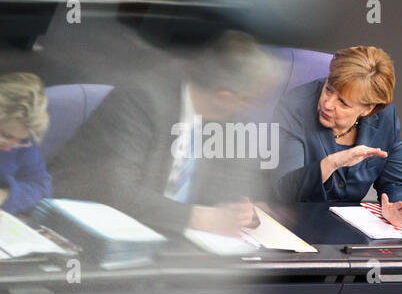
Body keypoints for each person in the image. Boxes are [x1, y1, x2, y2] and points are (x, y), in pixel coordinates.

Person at [49, 31, 278, 235]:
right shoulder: (140, 99)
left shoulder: (227, 121)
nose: (254, 108)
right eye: (250, 100)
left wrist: (243, 210)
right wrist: (197, 217)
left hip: (167, 238)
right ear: (223, 96)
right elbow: (113, 191)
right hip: (85, 230)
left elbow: (237, 182)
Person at [272, 46, 402, 227]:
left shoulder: (384, 117)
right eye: (329, 89)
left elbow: (396, 182)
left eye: (343, 102)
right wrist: (332, 163)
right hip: (290, 221)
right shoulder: (295, 108)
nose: (328, 103)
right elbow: (283, 190)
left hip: (343, 230)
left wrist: (399, 209)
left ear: (368, 109)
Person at [0, 72, 52, 214]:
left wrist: (6, 194)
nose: (11, 147)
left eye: (21, 140)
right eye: (6, 135)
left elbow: (41, 185)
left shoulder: (23, 146)